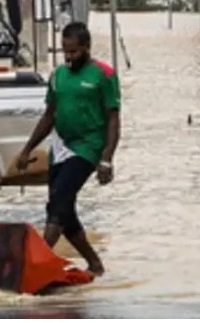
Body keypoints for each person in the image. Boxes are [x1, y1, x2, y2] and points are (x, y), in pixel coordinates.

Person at [17, 22, 121, 276]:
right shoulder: (58, 75)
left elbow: (113, 119)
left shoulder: (104, 75)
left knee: (59, 199)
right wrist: (27, 148)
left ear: (86, 48)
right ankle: (95, 264)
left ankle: (36, 262)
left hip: (88, 147)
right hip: (61, 146)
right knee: (63, 207)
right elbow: (49, 115)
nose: (69, 56)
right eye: (65, 51)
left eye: (74, 51)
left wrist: (106, 158)